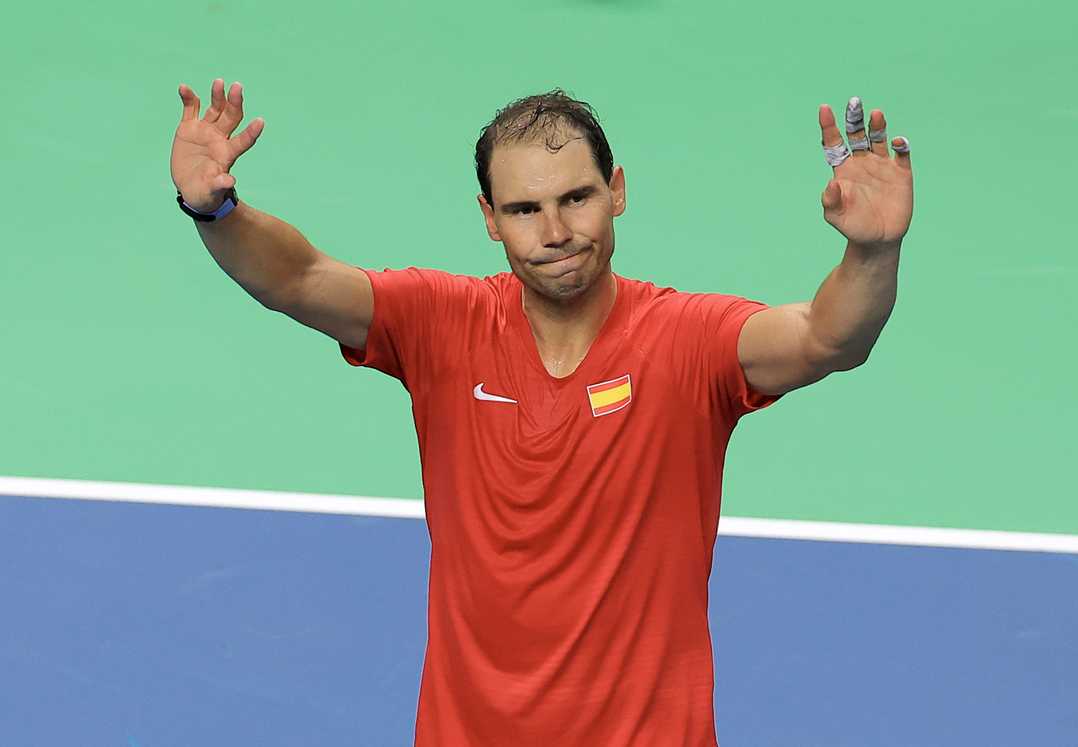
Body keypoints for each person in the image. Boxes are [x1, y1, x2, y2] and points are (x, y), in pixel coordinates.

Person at [170, 78, 913, 746]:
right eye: (524, 209)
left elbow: (826, 337)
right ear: (489, 218)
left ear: (617, 189)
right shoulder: (440, 324)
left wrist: (874, 254)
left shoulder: (689, 341)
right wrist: (216, 209)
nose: (554, 232)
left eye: (576, 198)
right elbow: (298, 279)